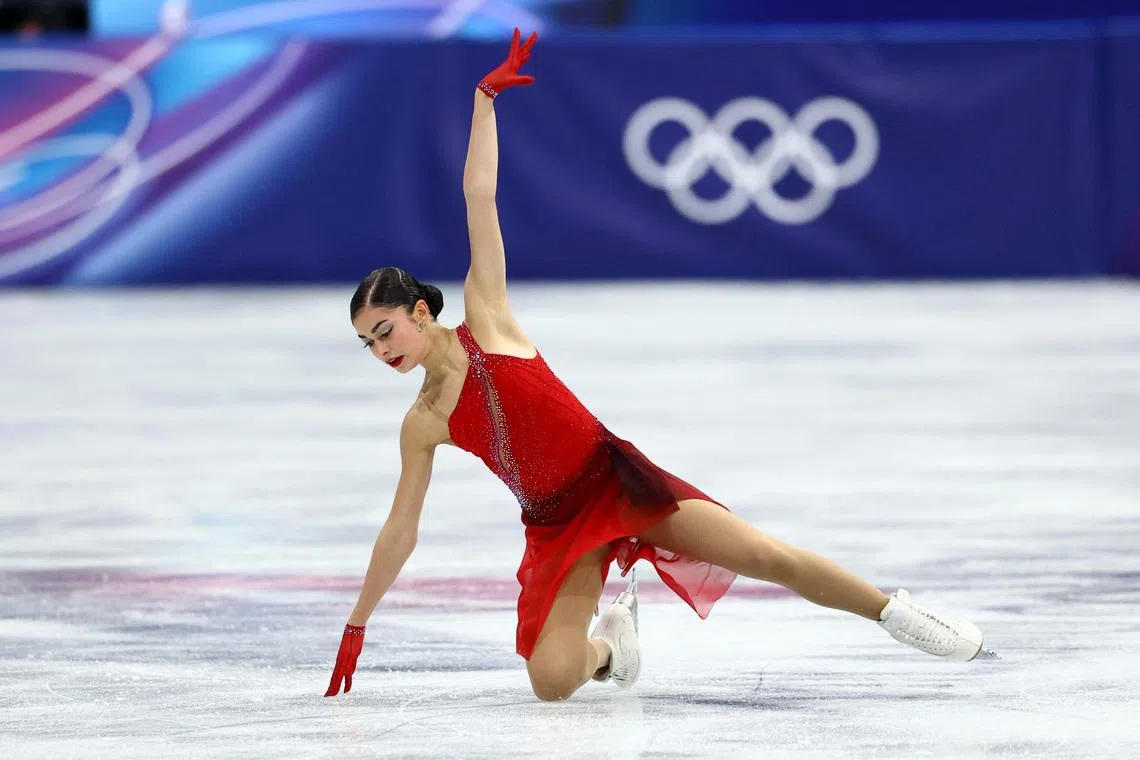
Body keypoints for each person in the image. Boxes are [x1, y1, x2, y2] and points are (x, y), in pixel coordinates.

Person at [324, 29, 995, 702]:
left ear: (418, 311)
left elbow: (479, 195)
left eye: (384, 332)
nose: (383, 352)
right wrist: (357, 622)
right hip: (556, 525)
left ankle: (897, 612)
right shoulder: (422, 421)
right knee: (552, 681)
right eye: (369, 344)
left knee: (765, 557)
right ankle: (612, 646)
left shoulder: (487, 317)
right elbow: (400, 529)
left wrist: (483, 101)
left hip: (616, 483)